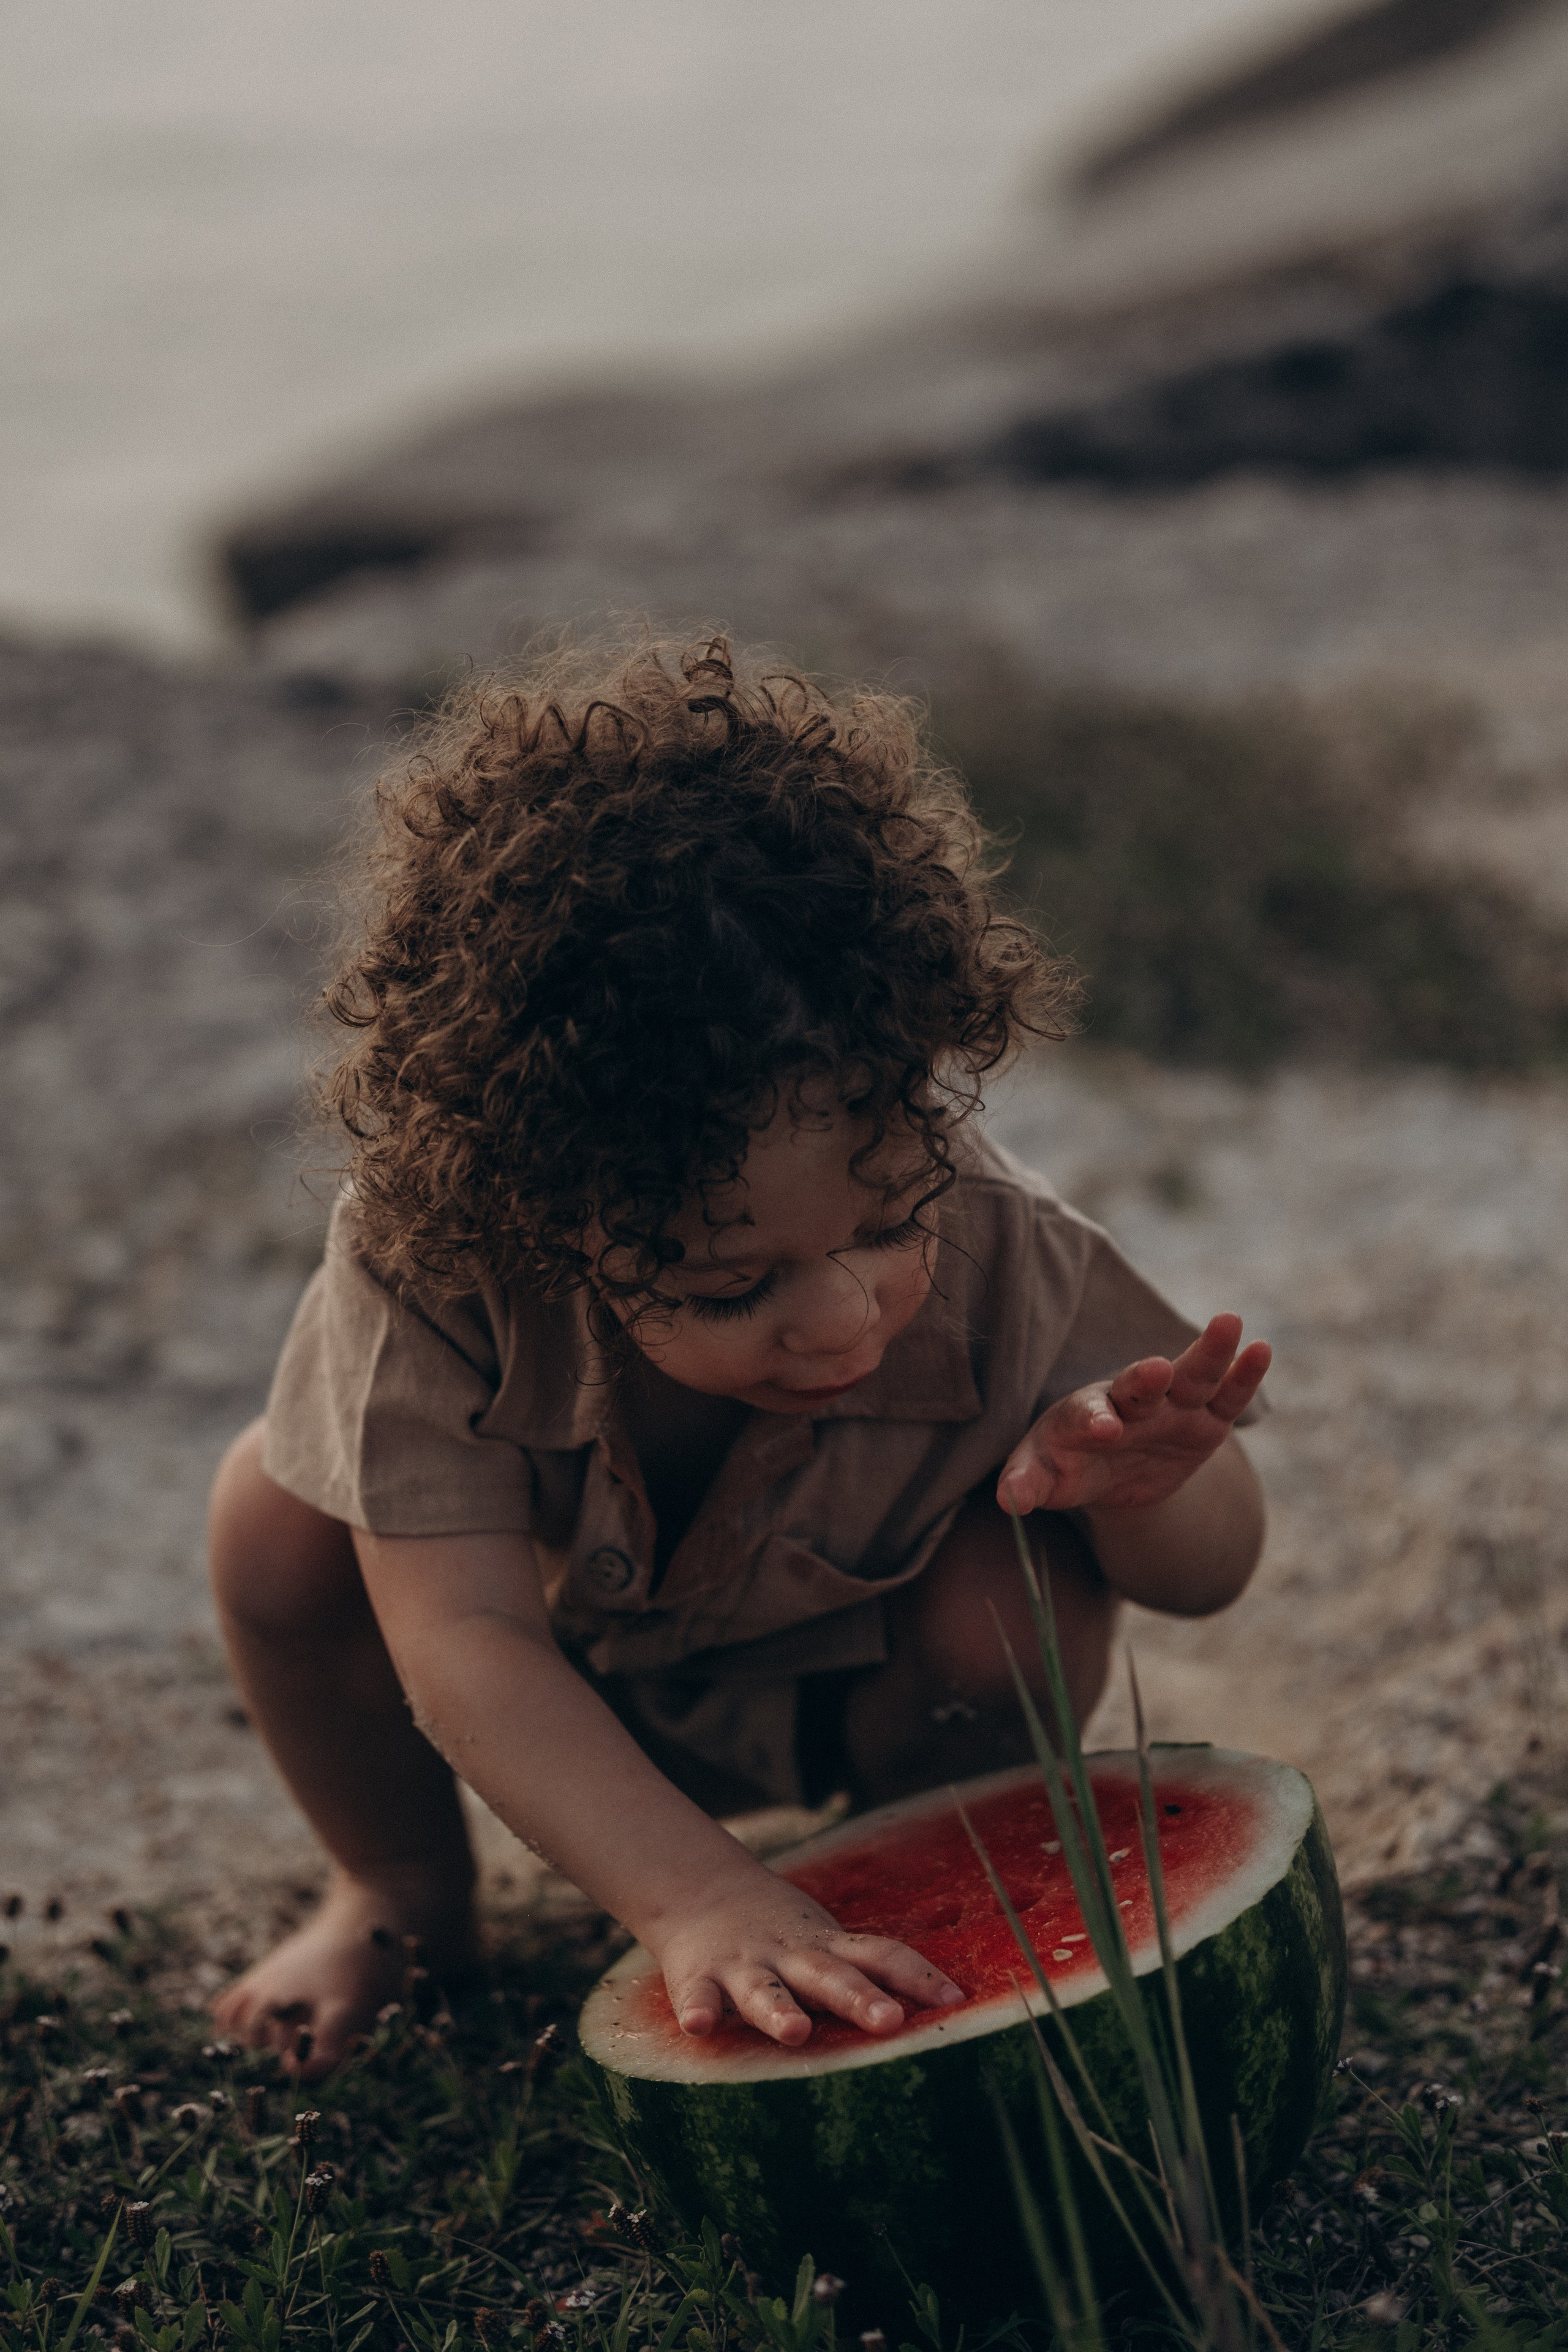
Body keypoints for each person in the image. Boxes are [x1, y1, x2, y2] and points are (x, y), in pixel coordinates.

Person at [207, 634, 1270, 2078]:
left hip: (887, 1705)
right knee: (273, 1518)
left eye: (889, 1220)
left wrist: (1150, 1484)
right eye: (731, 1281)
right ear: (546, 1207)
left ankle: (920, 1900)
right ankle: (398, 1892)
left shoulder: (1000, 1239)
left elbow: (1203, 1584)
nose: (840, 1315)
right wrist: (694, 1897)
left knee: (1009, 1593)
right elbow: (463, 1643)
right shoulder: (436, 1263)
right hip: (567, 1710)